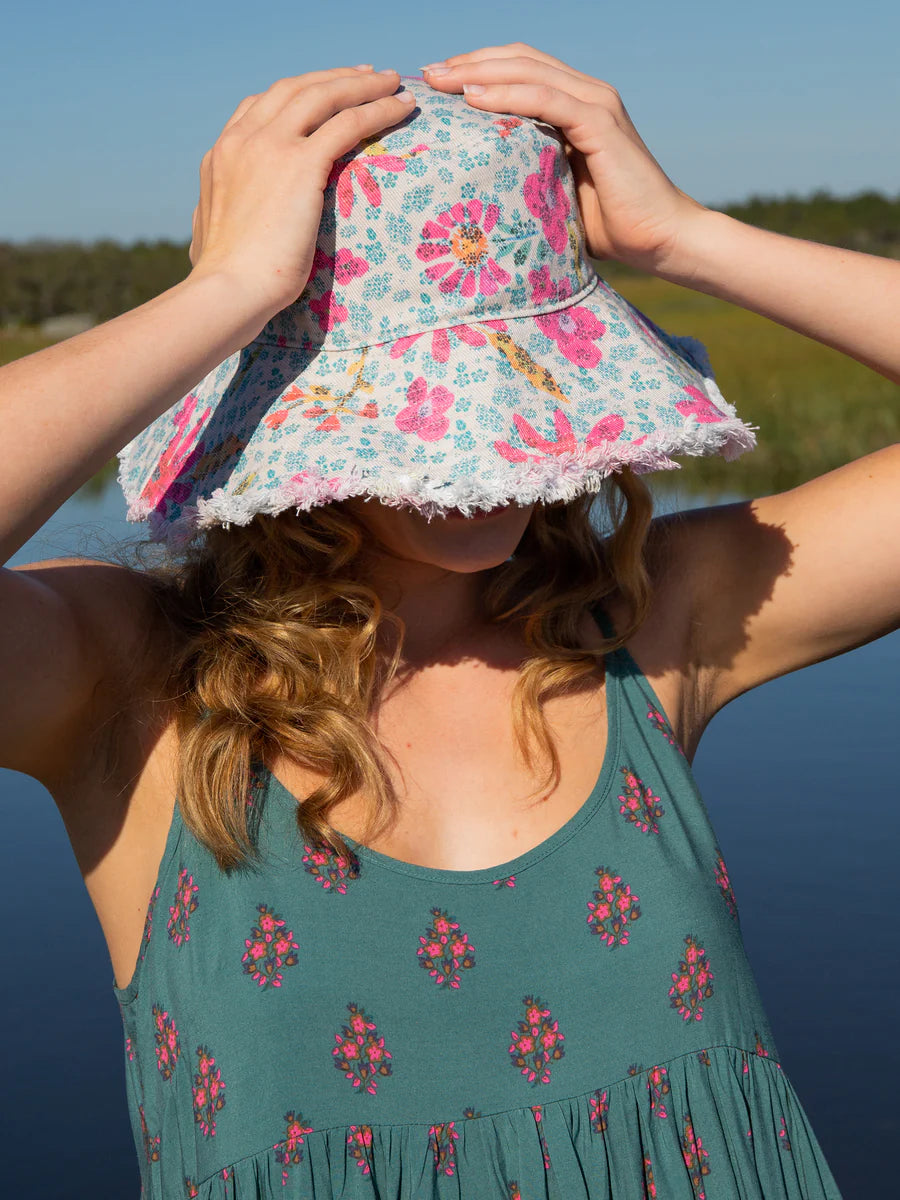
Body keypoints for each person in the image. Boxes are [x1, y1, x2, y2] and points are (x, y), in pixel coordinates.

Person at [1, 42, 897, 1200]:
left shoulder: (647, 622)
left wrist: (685, 238)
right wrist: (227, 293)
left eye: (516, 373)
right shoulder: (129, 683)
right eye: (414, 407)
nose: (479, 461)